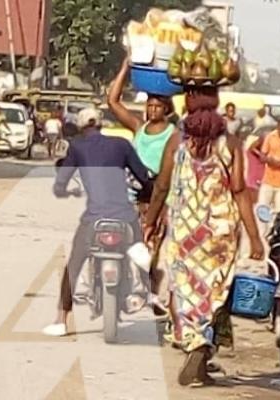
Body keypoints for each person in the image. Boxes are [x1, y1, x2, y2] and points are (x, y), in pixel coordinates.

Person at [144, 86, 265, 386]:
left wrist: (150, 220)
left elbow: (161, 186)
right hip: (221, 233)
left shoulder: (177, 141)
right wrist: (255, 237)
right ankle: (203, 348)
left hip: (186, 230)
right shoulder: (232, 143)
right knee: (216, 292)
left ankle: (195, 346)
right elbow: (239, 190)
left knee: (186, 290)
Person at [42, 108, 153, 337]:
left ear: (82, 127)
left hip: (95, 219)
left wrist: (64, 190)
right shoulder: (122, 144)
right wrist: (146, 196)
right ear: (101, 124)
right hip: (124, 216)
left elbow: (61, 181)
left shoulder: (77, 147)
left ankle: (62, 318)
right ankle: (149, 293)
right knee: (142, 249)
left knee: (74, 262)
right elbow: (143, 176)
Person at [108, 57, 178, 308]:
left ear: (167, 109)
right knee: (126, 242)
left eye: (158, 106)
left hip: (159, 197)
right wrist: (126, 66)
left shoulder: (174, 134)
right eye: (149, 105)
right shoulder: (139, 127)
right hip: (132, 195)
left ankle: (150, 291)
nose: (152, 110)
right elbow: (113, 102)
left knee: (153, 246)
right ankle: (128, 286)